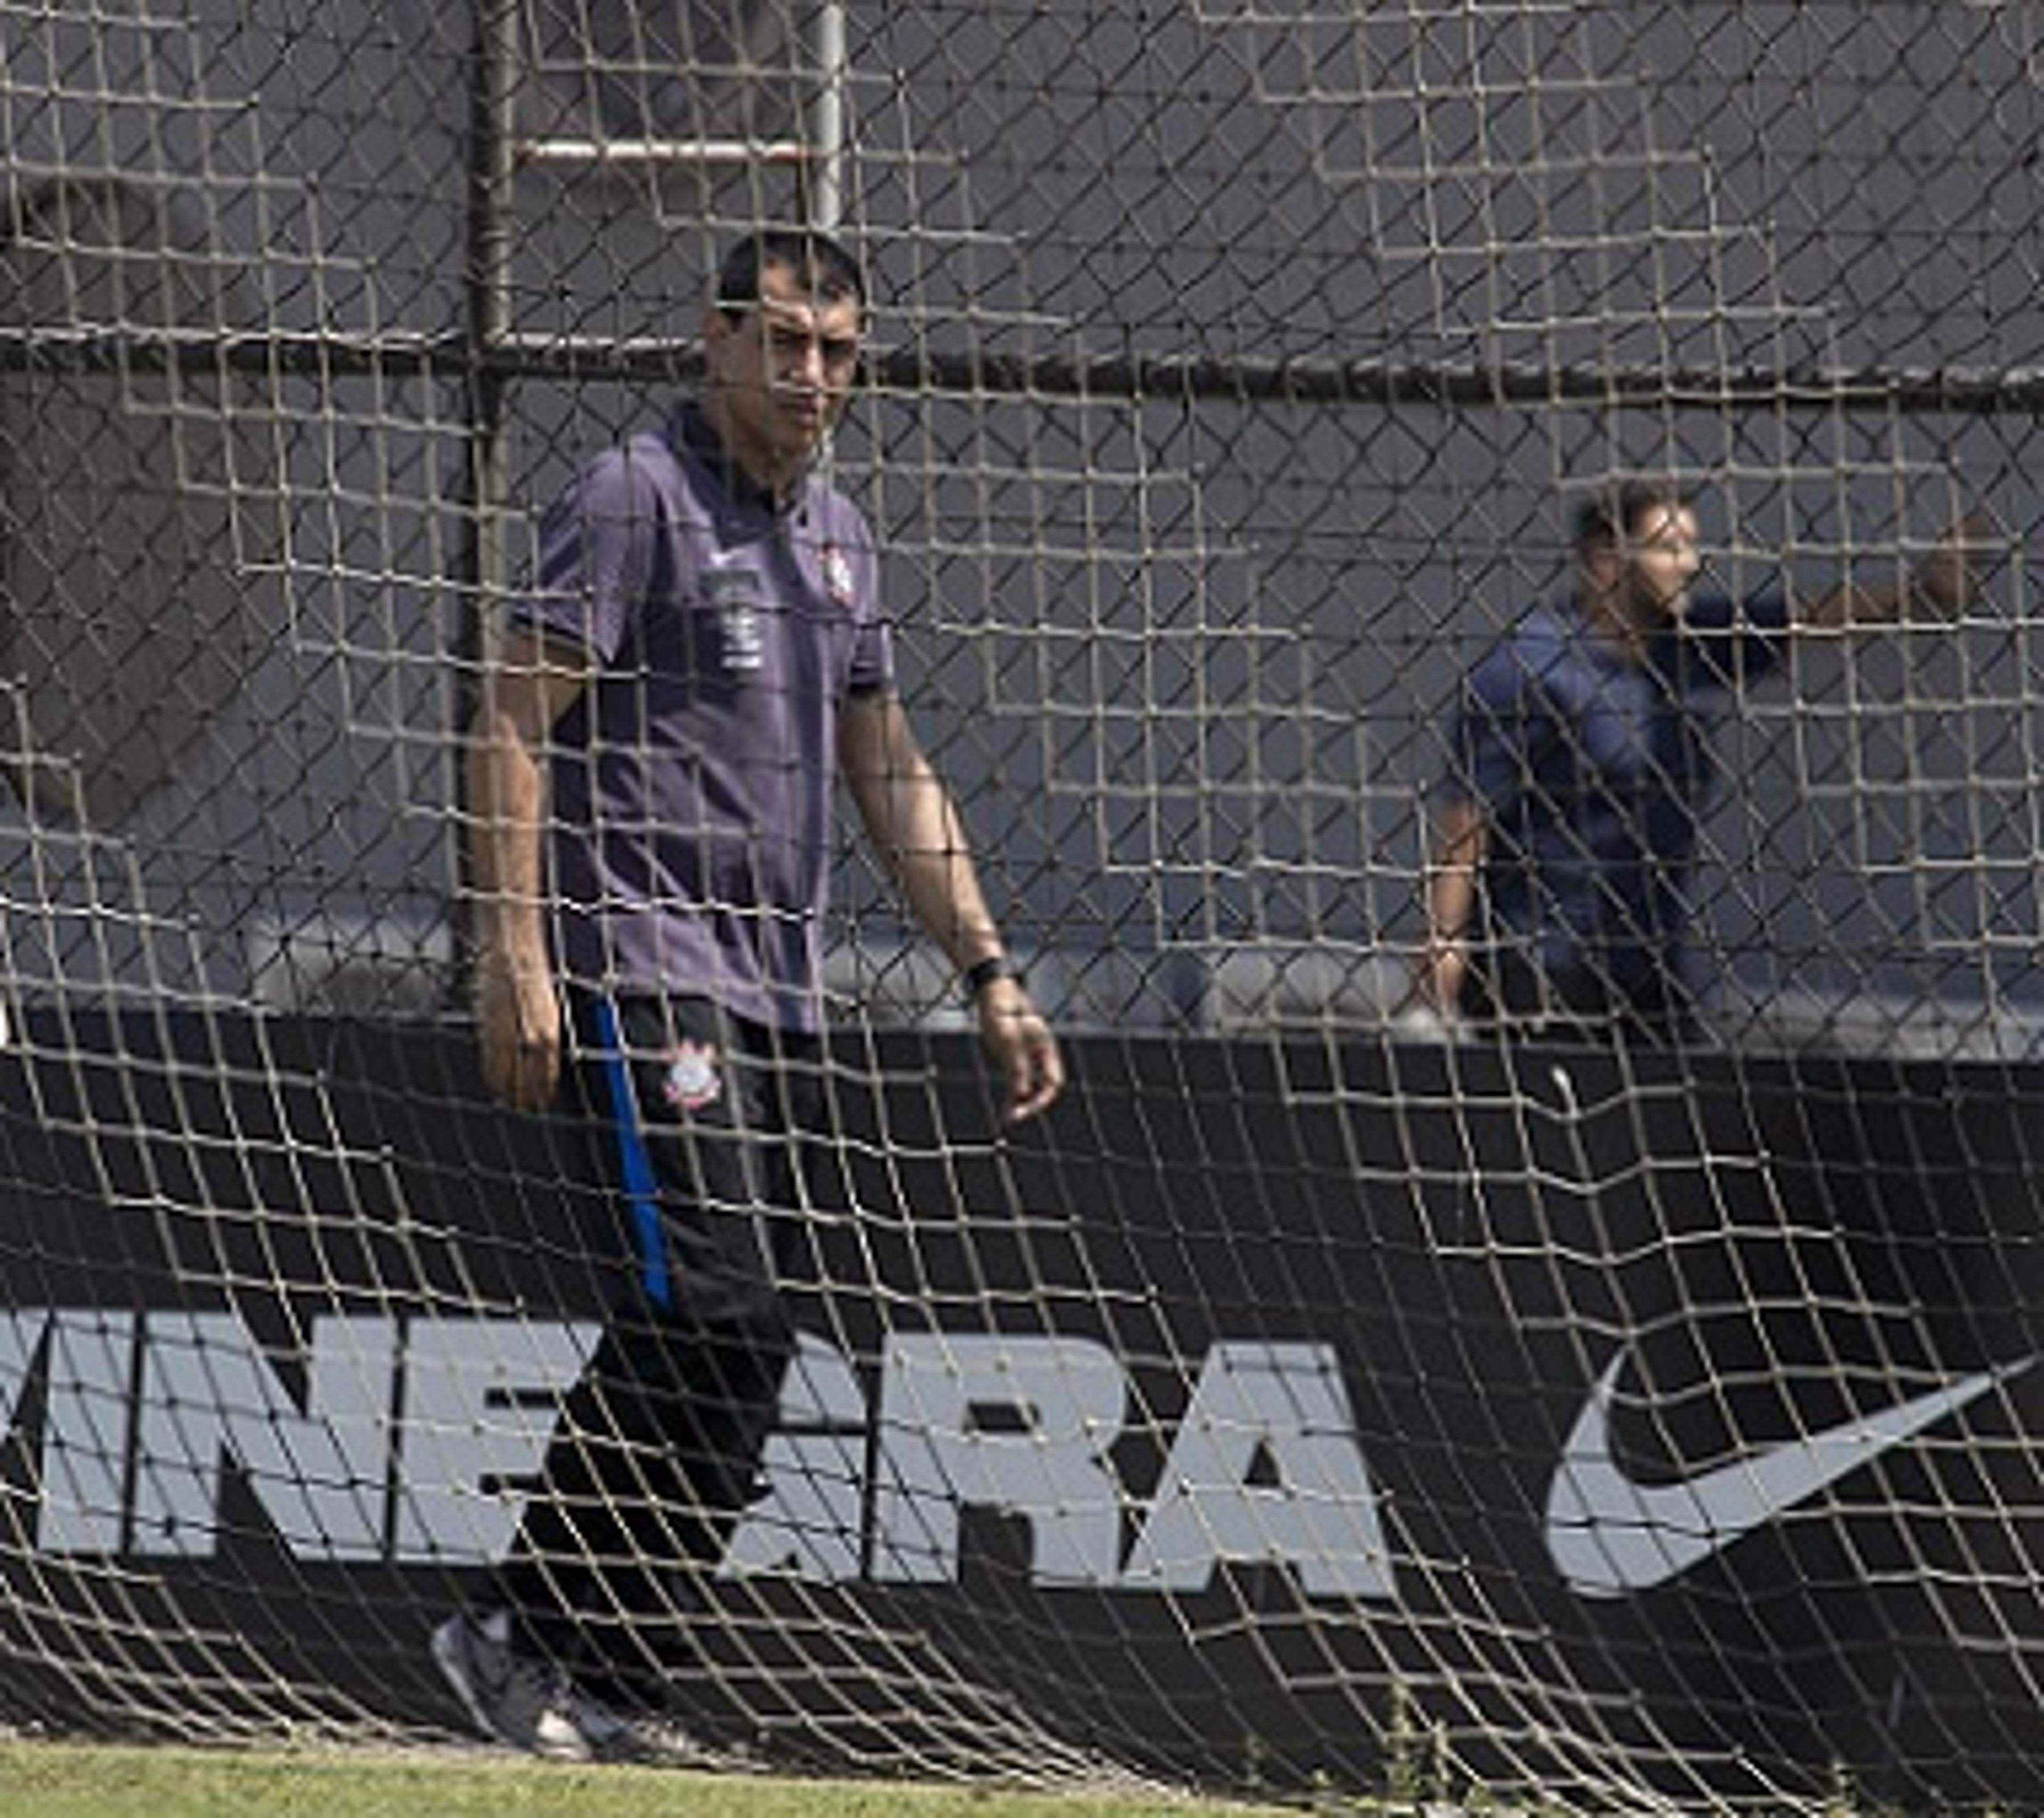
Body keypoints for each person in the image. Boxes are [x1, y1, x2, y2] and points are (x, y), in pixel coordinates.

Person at [432, 227, 1065, 1763]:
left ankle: (625, 1682)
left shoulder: (840, 536)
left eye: (841, 350)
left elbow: (890, 771)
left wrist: (987, 967)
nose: (814, 376)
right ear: (715, 336)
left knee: (750, 1336)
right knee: (707, 1300)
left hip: (776, 990)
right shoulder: (630, 494)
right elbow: (512, 720)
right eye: (785, 340)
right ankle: (511, 1625)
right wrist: (514, 950)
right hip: (637, 964)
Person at [1413, 477, 1981, 1044]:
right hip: (1542, 962)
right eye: (1669, 548)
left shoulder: (1686, 645)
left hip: (1646, 962)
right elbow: (1468, 815)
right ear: (1606, 559)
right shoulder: (1532, 668)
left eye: (1691, 546)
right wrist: (1444, 942)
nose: (1689, 564)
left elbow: (1804, 619)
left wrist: (1920, 589)